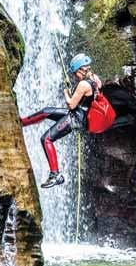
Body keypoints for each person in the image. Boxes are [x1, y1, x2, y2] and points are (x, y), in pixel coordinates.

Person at [20, 53, 102, 188]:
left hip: (76, 119)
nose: (75, 75)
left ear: (81, 69)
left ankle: (55, 175)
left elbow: (71, 105)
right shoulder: (94, 79)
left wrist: (66, 93)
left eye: (75, 72)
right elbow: (92, 93)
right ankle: (22, 122)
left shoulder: (83, 85)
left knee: (46, 139)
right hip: (80, 114)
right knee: (46, 111)